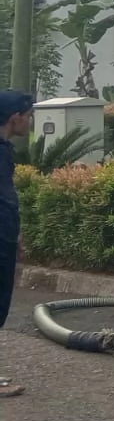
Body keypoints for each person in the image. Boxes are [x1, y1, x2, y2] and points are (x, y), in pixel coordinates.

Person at [0, 90, 34, 399]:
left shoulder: (4, 150)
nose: (30, 120)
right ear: (15, 118)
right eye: (28, 115)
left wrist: (16, 234)